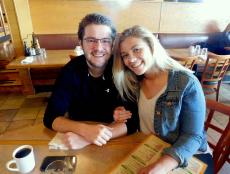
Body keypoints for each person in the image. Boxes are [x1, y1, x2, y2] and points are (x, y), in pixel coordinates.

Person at [112, 25, 213, 174]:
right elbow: (134, 116)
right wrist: (120, 112)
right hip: (152, 148)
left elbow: (193, 136)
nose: (131, 59)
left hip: (189, 155)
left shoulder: (185, 82)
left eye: (136, 49)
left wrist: (162, 166)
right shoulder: (133, 82)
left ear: (152, 46)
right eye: (125, 55)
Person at [43, 13, 138, 149]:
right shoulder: (70, 71)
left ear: (112, 44)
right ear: (80, 43)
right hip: (77, 138)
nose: (98, 47)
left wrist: (88, 139)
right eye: (91, 40)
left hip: (114, 140)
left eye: (105, 40)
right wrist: (84, 131)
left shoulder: (122, 69)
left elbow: (133, 120)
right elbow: (50, 118)